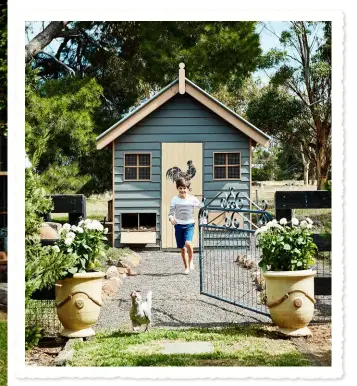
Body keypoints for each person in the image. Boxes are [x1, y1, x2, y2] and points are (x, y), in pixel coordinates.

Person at [168, 177, 202, 274]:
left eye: (184, 188)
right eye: (180, 188)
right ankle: (186, 267)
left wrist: (204, 205)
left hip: (189, 225)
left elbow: (202, 207)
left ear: (187, 188)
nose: (182, 190)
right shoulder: (174, 199)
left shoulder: (192, 199)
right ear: (177, 189)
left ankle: (191, 261)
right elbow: (170, 213)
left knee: (188, 243)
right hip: (178, 226)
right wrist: (171, 219)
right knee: (182, 248)